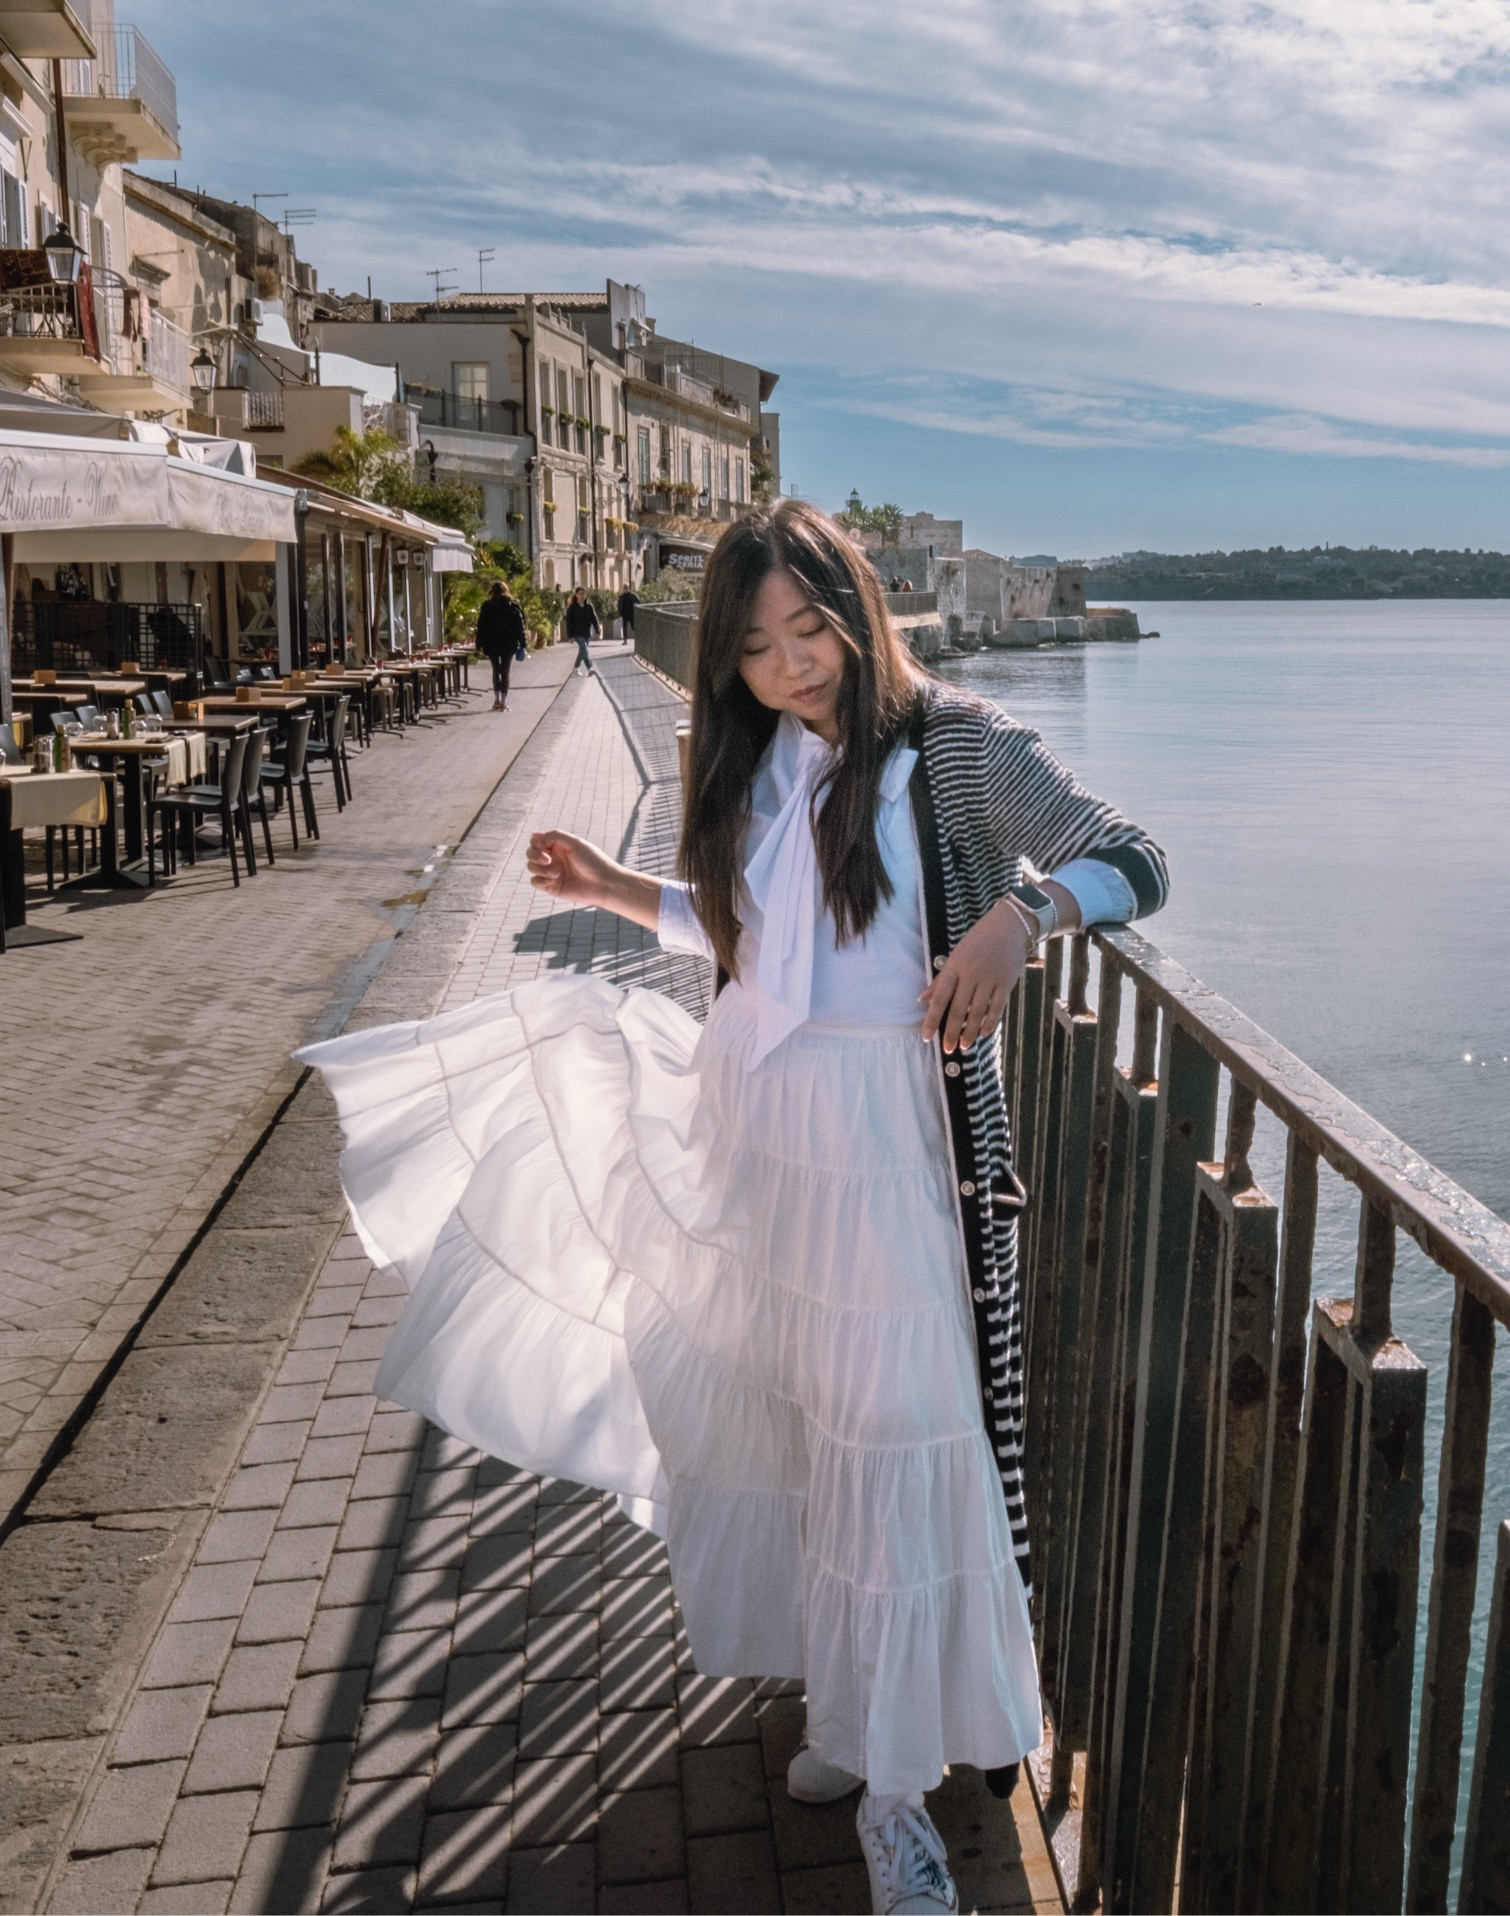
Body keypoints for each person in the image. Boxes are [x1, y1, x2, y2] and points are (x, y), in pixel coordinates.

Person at [300, 501, 1168, 1916]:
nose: (789, 664)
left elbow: (1132, 856)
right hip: (761, 1122)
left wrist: (1022, 917)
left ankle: (899, 1798)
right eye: (756, 645)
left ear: (858, 604)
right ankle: (848, 1711)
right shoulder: (756, 755)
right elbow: (759, 941)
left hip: (893, 1139)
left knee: (896, 1437)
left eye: (810, 627)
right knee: (809, 1433)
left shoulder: (953, 741)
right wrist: (619, 890)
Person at [476, 581, 526, 711]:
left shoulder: (487, 606)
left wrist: (479, 644)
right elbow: (520, 626)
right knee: (505, 671)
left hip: (491, 643)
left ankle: (496, 699)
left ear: (492, 591)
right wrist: (523, 643)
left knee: (495, 670)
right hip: (508, 644)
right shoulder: (513, 606)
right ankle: (503, 702)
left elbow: (481, 626)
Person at [565, 585, 600, 673]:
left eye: (584, 594)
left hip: (586, 633)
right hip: (577, 633)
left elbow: (594, 619)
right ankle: (590, 668)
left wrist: (597, 630)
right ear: (576, 595)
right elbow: (569, 622)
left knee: (583, 652)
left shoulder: (589, 607)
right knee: (584, 649)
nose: (582, 596)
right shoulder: (572, 608)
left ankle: (576, 668)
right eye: (580, 594)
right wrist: (570, 636)